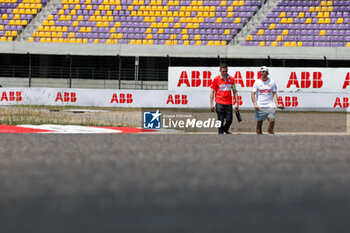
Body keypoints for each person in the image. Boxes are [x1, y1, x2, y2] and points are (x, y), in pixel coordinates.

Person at [251, 66, 284, 134]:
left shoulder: (272, 82)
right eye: (261, 72)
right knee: (259, 125)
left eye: (264, 71)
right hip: (260, 105)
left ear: (267, 73)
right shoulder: (257, 82)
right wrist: (255, 104)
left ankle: (270, 131)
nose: (262, 73)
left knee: (272, 120)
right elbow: (253, 94)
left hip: (270, 105)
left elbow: (274, 94)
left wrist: (277, 104)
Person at [210, 63, 239, 134]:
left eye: (226, 71)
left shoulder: (231, 79)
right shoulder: (216, 79)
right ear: (220, 71)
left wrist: (237, 103)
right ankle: (220, 133)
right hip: (219, 102)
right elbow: (212, 92)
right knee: (221, 119)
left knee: (229, 120)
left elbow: (234, 91)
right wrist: (211, 104)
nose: (225, 73)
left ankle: (224, 130)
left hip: (228, 103)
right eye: (223, 71)